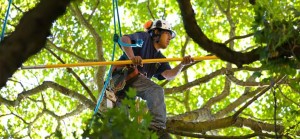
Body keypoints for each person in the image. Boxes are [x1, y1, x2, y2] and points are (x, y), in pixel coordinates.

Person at [116, 19, 194, 137]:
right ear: (156, 32)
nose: (169, 38)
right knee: (155, 90)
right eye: (167, 34)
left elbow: (168, 74)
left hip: (127, 91)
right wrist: (132, 57)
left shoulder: (159, 59)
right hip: (124, 75)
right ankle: (156, 127)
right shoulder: (145, 38)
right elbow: (124, 39)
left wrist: (181, 65)